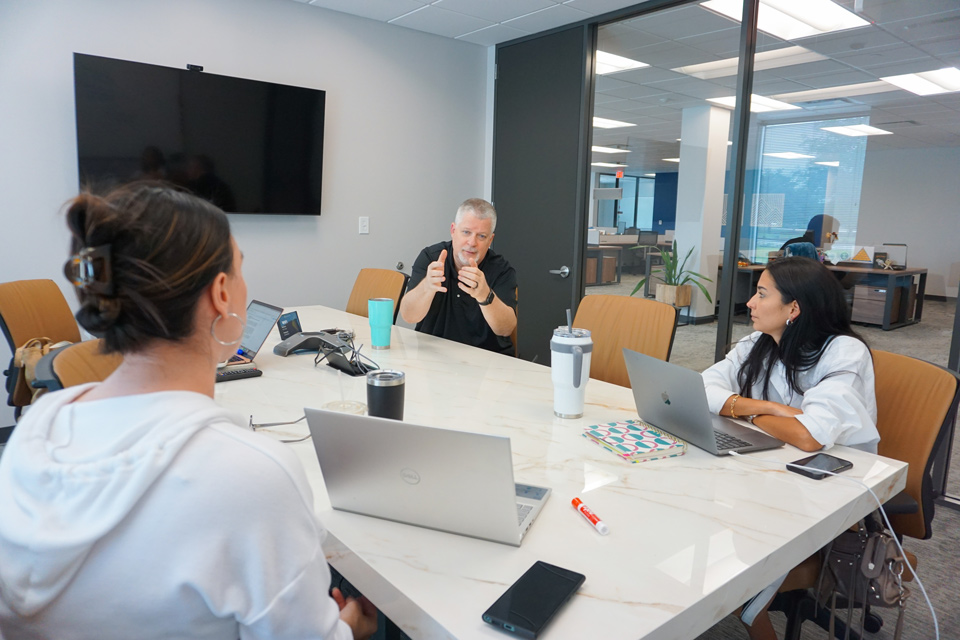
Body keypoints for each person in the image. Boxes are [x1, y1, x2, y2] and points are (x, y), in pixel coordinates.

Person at [0, 183, 377, 640]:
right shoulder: (252, 475)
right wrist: (352, 626)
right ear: (221, 292)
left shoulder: (40, 424)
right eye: (240, 270)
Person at [702, 256, 879, 640]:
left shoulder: (844, 352)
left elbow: (809, 436)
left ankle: (750, 607)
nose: (749, 303)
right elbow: (703, 387)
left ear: (793, 308)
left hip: (831, 487)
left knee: (739, 586)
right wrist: (766, 408)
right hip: (769, 475)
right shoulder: (758, 342)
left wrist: (741, 413)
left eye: (762, 294)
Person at [399, 198, 517, 354]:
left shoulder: (501, 269)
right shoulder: (430, 257)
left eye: (481, 236)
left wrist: (485, 295)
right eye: (466, 232)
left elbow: (506, 329)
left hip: (486, 359)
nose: (472, 242)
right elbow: (408, 316)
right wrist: (427, 286)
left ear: (490, 240)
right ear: (453, 231)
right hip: (434, 355)